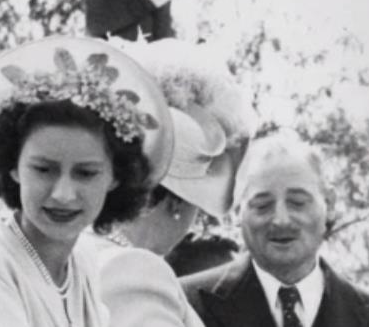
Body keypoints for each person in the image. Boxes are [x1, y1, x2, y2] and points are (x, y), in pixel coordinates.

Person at [0, 36, 175, 327]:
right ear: (13, 166)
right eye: (44, 169)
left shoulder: (82, 263)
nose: (63, 194)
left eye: (85, 173)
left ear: (114, 177)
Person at [85, 38, 257, 327]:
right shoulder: (133, 269)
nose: (194, 223)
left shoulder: (73, 253)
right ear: (177, 202)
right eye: (197, 208)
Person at [181, 132, 369, 327]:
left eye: (297, 203)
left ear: (329, 204)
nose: (281, 220)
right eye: (262, 205)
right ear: (237, 211)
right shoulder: (184, 305)